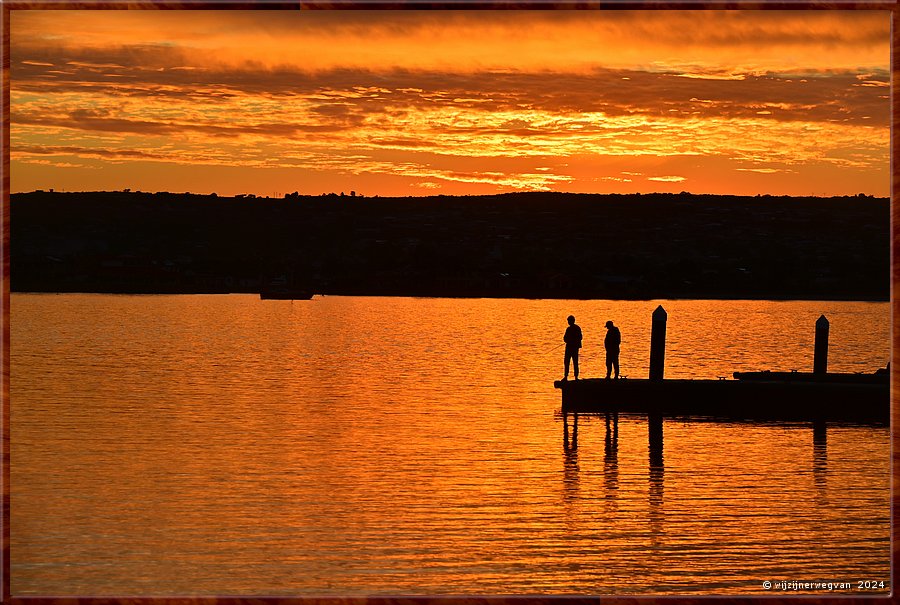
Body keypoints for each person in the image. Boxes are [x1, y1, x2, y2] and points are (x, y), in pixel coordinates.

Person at [563, 315, 582, 380]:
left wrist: (570, 340)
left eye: (568, 321)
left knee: (573, 362)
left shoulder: (575, 328)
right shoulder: (572, 328)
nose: (568, 322)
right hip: (571, 347)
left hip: (573, 348)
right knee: (568, 362)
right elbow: (565, 338)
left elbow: (580, 337)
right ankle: (568, 376)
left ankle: (574, 377)